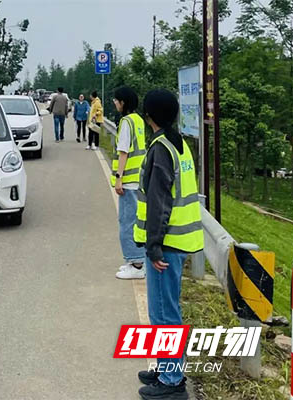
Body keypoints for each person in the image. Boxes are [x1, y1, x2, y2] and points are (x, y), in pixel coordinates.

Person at [133, 89, 203, 400]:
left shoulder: (161, 149)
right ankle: (165, 367)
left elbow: (159, 203)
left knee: (164, 314)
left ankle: (172, 381)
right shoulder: (179, 143)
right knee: (164, 311)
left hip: (166, 244)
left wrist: (153, 246)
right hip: (177, 240)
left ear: (149, 115)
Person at [112, 87, 147, 279]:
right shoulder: (138, 120)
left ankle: (136, 263)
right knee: (135, 220)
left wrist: (119, 178)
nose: (115, 103)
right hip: (138, 178)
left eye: (116, 100)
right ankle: (135, 260)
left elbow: (124, 151)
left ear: (123, 102)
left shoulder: (126, 122)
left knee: (127, 222)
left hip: (128, 181)